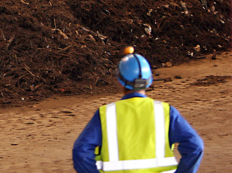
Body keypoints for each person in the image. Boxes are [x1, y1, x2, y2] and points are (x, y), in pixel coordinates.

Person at [72, 47, 204, 173]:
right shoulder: (165, 111)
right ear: (149, 81)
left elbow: (80, 151)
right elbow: (195, 147)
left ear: (119, 81)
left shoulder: (106, 114)